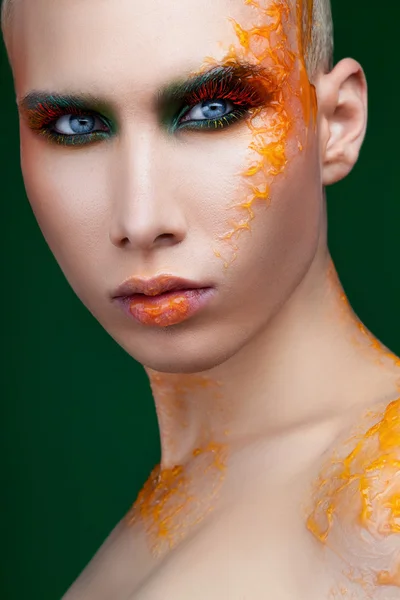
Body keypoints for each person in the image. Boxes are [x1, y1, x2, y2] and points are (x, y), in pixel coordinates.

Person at [1, 0, 399, 598]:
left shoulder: (381, 515)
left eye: (212, 110)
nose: (140, 219)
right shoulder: (188, 490)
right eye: (75, 126)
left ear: (336, 123)